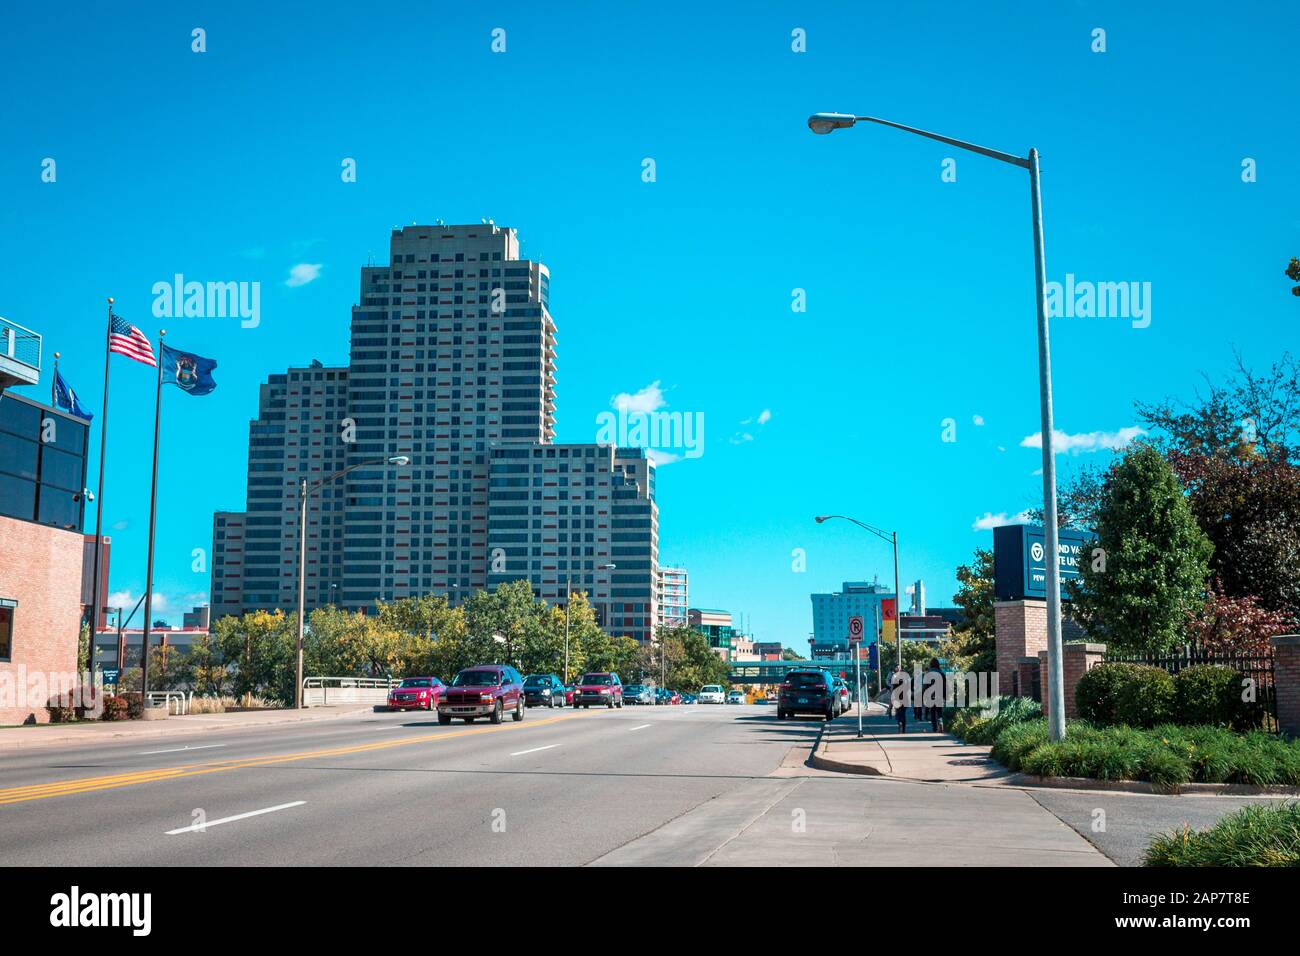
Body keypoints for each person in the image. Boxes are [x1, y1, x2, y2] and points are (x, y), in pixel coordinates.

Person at [925, 658, 945, 732]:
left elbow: (925, 686)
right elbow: (945, 685)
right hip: (939, 695)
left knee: (933, 711)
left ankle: (935, 728)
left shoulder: (928, 674)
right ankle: (940, 722)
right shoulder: (941, 673)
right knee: (939, 711)